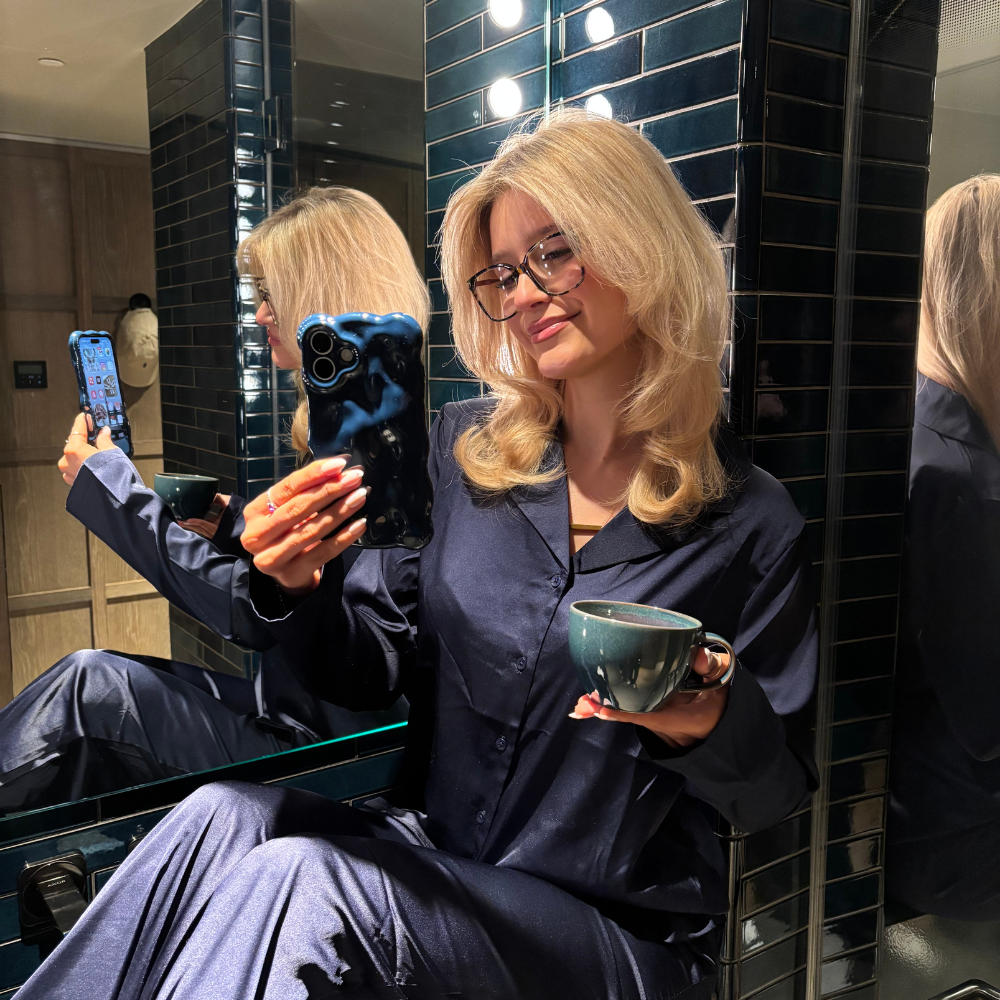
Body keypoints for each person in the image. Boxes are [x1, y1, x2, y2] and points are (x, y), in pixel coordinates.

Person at [18, 109, 817, 1000]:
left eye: (554, 251)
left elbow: (771, 795)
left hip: (610, 932)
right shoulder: (463, 453)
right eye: (503, 272)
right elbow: (371, 667)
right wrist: (298, 586)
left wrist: (703, 717)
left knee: (302, 882)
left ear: (642, 240)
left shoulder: (749, 521)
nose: (520, 294)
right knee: (218, 817)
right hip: (442, 863)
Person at [0, 187, 425, 815]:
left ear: (320, 293)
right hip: (286, 711)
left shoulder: (383, 457)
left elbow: (257, 609)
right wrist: (233, 524)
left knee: (87, 689)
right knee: (92, 673)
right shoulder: (350, 432)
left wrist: (113, 492)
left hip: (328, 759)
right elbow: (312, 575)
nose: (259, 316)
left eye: (269, 297)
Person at [886, 174, 1000, 921]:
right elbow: (990, 722)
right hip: (949, 839)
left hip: (893, 813)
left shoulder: (912, 431)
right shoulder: (965, 480)